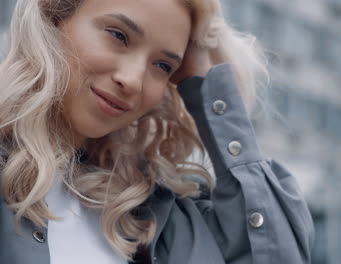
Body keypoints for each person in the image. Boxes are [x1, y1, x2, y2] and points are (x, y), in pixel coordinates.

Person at [0, 0, 314, 263]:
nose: (134, 80)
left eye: (163, 66)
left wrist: (211, 96)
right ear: (54, 17)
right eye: (118, 35)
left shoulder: (153, 221)